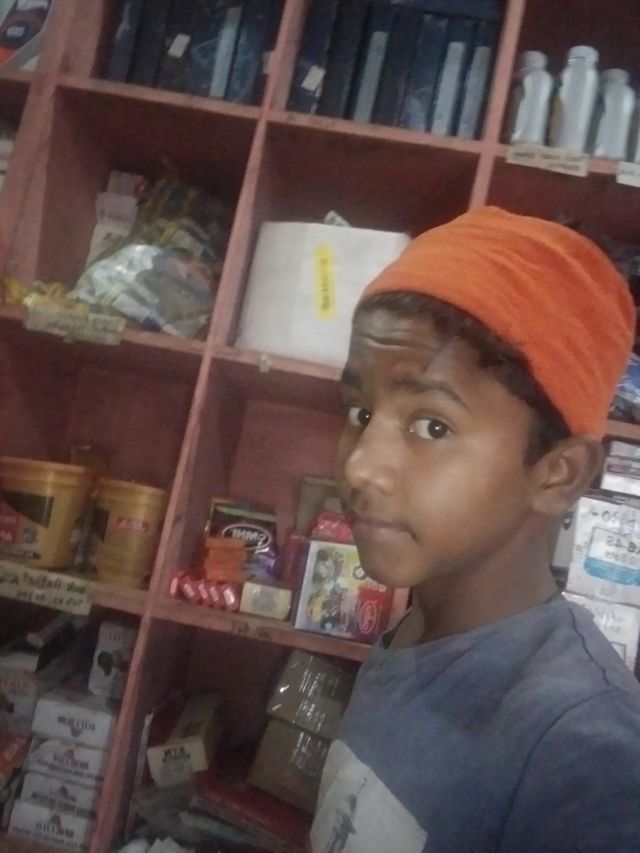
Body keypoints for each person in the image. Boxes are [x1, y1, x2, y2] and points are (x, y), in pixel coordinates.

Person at [309, 207, 640, 853]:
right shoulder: (418, 627)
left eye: (432, 425)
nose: (359, 466)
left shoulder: (587, 753)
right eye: (360, 411)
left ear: (559, 473)